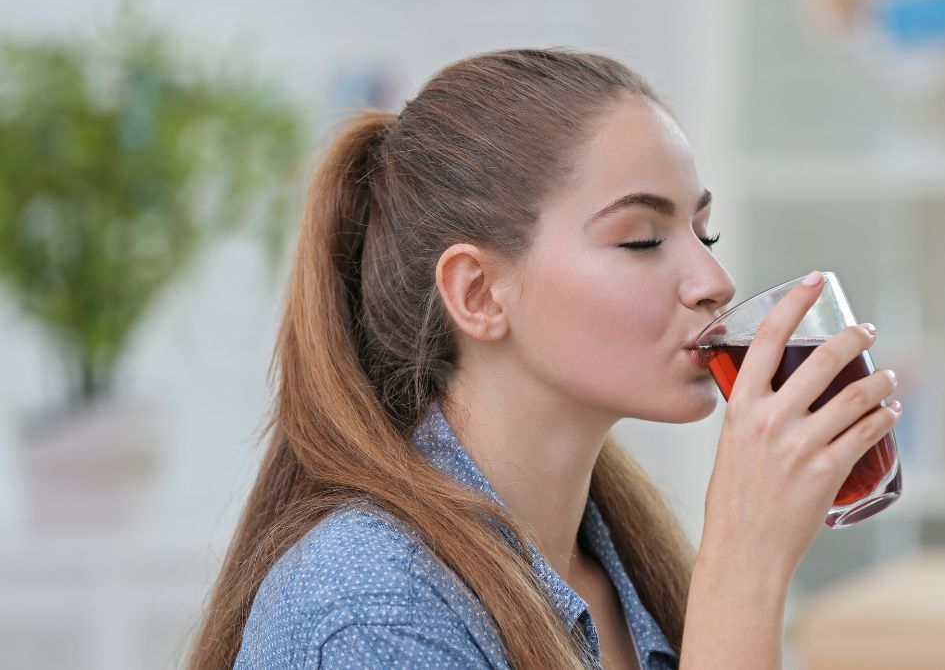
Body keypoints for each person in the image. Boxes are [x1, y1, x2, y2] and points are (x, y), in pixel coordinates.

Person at [186, 47, 902, 670]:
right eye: (642, 240)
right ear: (478, 293)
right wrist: (743, 570)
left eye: (704, 234)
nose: (715, 281)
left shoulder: (621, 567)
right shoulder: (372, 606)